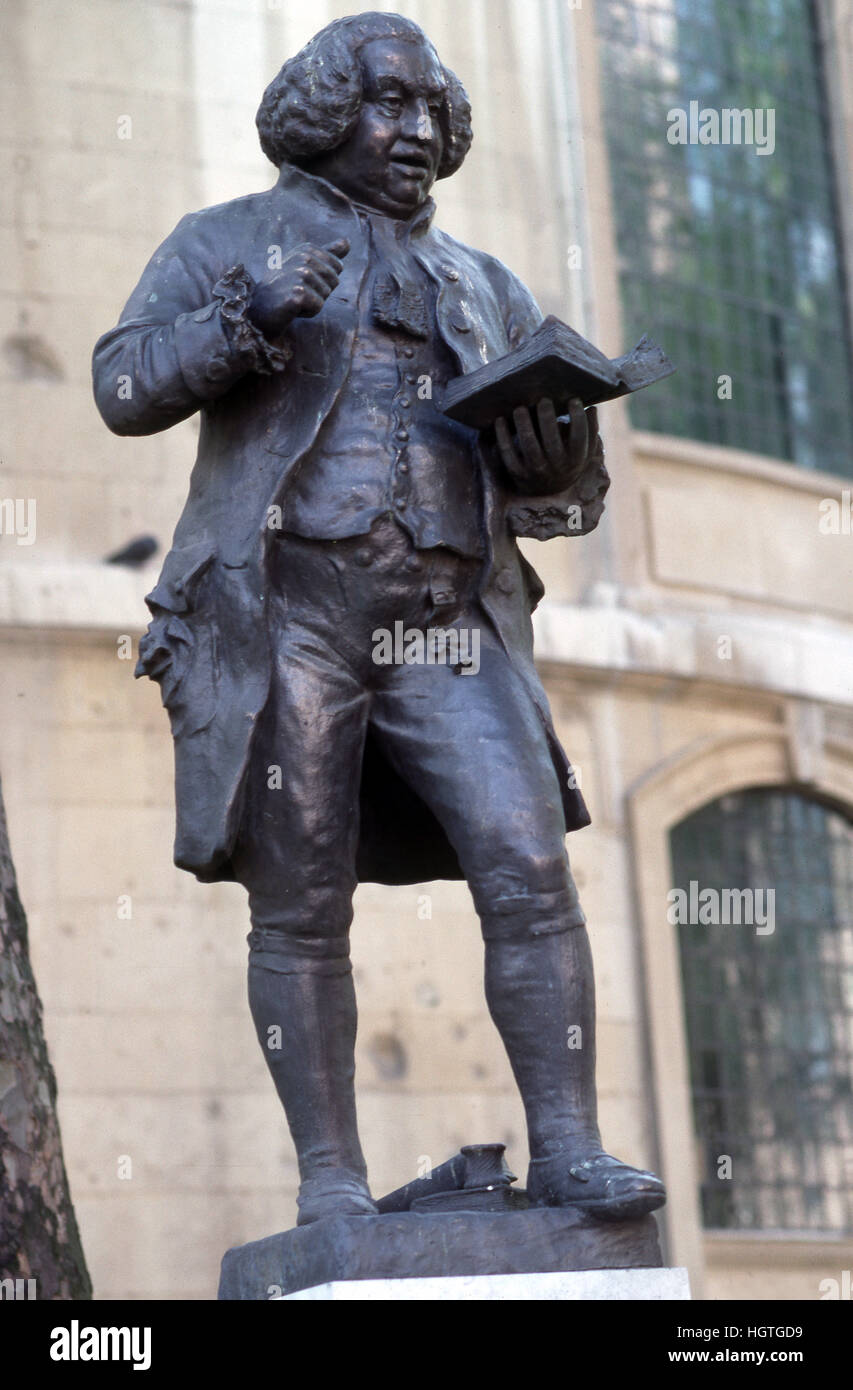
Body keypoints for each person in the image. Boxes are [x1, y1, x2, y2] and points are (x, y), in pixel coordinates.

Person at [92, 11, 665, 1227]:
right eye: (383, 106)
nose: (412, 131)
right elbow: (120, 381)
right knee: (299, 905)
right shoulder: (227, 240)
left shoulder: (484, 282)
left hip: (449, 617)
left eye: (426, 111)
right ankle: (330, 1182)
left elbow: (567, 493)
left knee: (527, 865)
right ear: (322, 115)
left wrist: (552, 459)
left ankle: (566, 1146)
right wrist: (238, 322)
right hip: (291, 614)